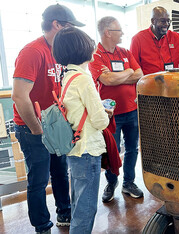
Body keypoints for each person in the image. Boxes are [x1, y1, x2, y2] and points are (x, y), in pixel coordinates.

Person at [11, 4, 84, 233]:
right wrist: (36, 129)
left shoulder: (61, 52)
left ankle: (65, 214)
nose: (72, 32)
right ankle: (42, 226)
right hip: (32, 127)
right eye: (70, 27)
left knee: (61, 173)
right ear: (57, 25)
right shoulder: (33, 51)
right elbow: (19, 96)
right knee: (39, 181)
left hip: (55, 125)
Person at [52, 26, 110, 234]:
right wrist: (107, 112)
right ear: (83, 49)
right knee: (86, 209)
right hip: (87, 150)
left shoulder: (67, 76)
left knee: (77, 202)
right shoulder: (84, 79)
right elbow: (100, 121)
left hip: (75, 149)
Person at [88, 16, 144, 203]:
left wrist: (122, 75)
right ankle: (111, 183)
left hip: (132, 110)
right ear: (108, 32)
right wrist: (127, 72)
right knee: (111, 151)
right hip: (110, 115)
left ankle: (129, 182)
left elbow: (139, 74)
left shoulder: (125, 51)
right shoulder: (95, 55)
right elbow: (107, 80)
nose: (122, 34)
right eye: (119, 30)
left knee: (132, 149)